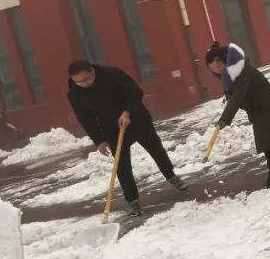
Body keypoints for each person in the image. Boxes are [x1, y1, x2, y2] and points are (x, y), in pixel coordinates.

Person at [67, 60, 187, 217]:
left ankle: (171, 176)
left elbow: (135, 92)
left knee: (156, 149)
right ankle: (133, 201)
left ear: (93, 72)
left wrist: (127, 112)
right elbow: (85, 118)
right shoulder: (75, 94)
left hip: (137, 119)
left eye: (87, 79)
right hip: (112, 129)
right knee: (121, 166)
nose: (84, 84)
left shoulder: (112, 74)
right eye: (79, 82)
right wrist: (99, 140)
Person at [204, 42, 270, 188]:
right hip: (256, 105)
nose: (217, 70)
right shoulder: (228, 73)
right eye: (213, 68)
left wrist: (225, 118)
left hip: (264, 104)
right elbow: (234, 93)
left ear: (225, 61)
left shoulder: (240, 71)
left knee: (266, 140)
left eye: (219, 66)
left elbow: (238, 96)